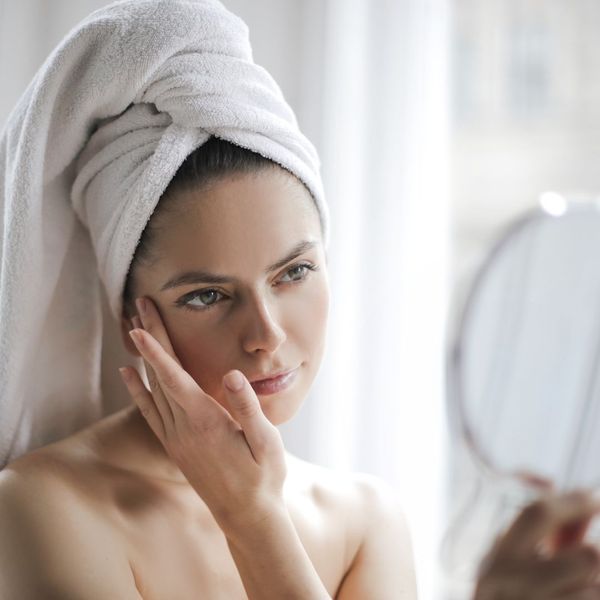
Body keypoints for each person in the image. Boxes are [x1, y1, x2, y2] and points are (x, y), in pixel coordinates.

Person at [0, 2, 599, 599]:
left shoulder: (365, 520)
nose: (267, 333)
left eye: (294, 272)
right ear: (134, 316)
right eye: (207, 295)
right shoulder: (41, 504)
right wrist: (252, 520)